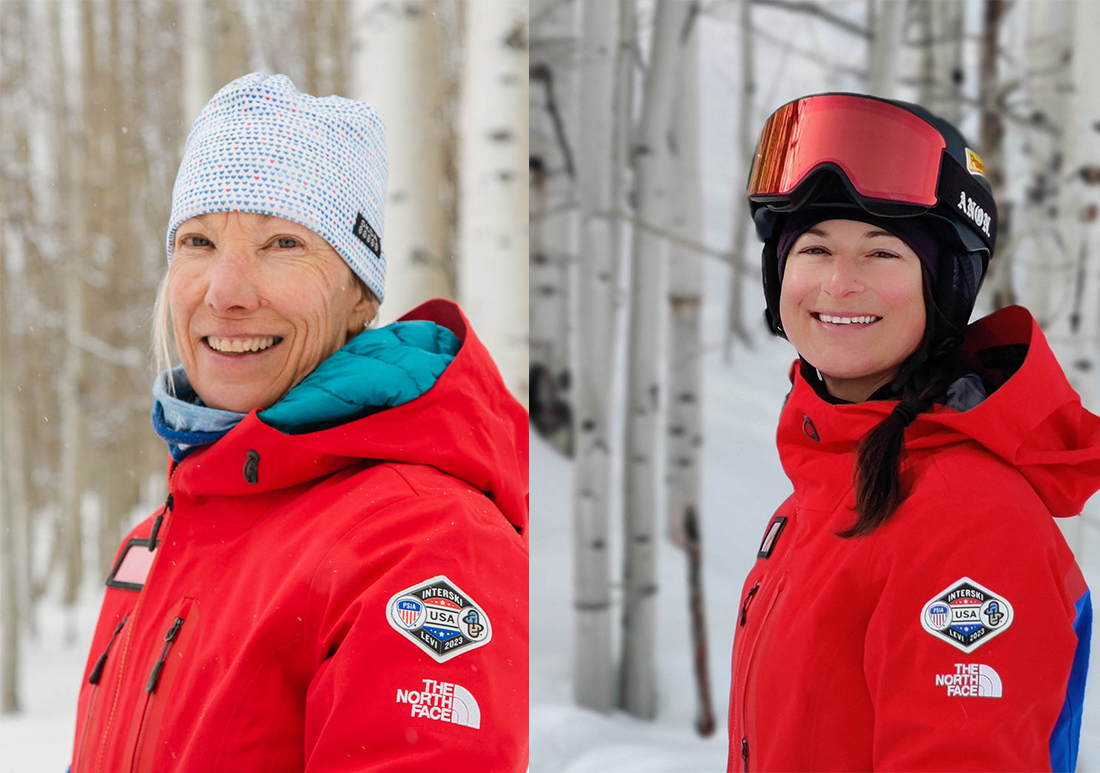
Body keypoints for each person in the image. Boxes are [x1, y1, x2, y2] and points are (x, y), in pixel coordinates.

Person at [69, 73, 528, 773]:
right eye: (197, 242)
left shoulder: (423, 540)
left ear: (359, 296)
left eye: (281, 243)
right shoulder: (157, 538)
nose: (225, 293)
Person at [728, 93, 1100, 772]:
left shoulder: (967, 516)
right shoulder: (819, 490)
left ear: (942, 288)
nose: (840, 284)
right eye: (814, 248)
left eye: (881, 253)